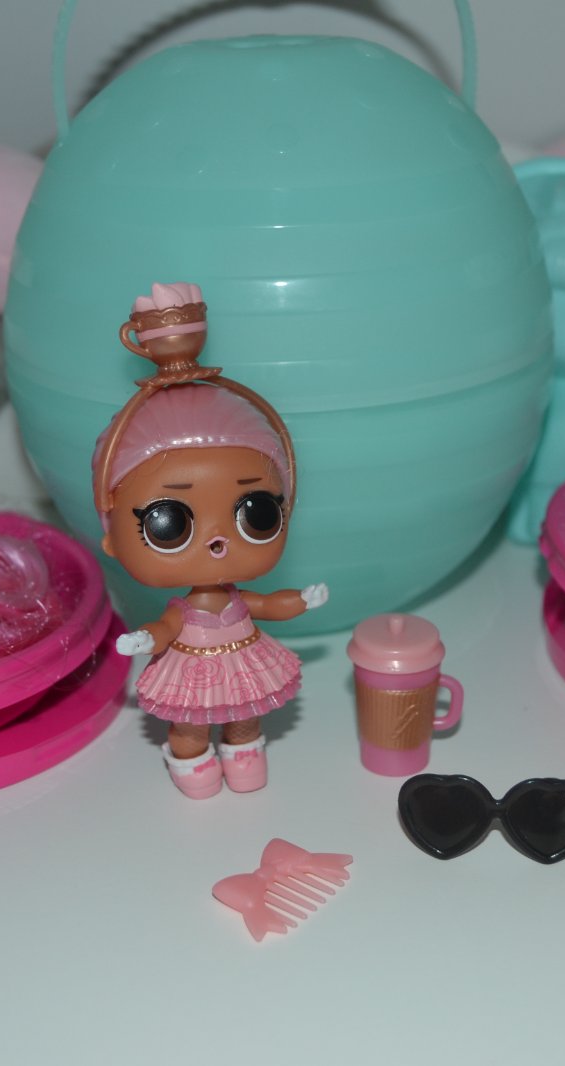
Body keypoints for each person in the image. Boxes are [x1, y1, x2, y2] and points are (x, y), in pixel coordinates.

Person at [93, 282, 327, 798]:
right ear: (113, 537)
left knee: (246, 718)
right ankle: (192, 762)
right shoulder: (186, 610)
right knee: (190, 725)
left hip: (244, 665)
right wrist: (146, 639)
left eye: (257, 513)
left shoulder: (238, 597)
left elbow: (267, 604)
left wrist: (301, 600)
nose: (218, 542)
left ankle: (243, 754)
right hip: (190, 672)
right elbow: (166, 627)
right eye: (170, 523)